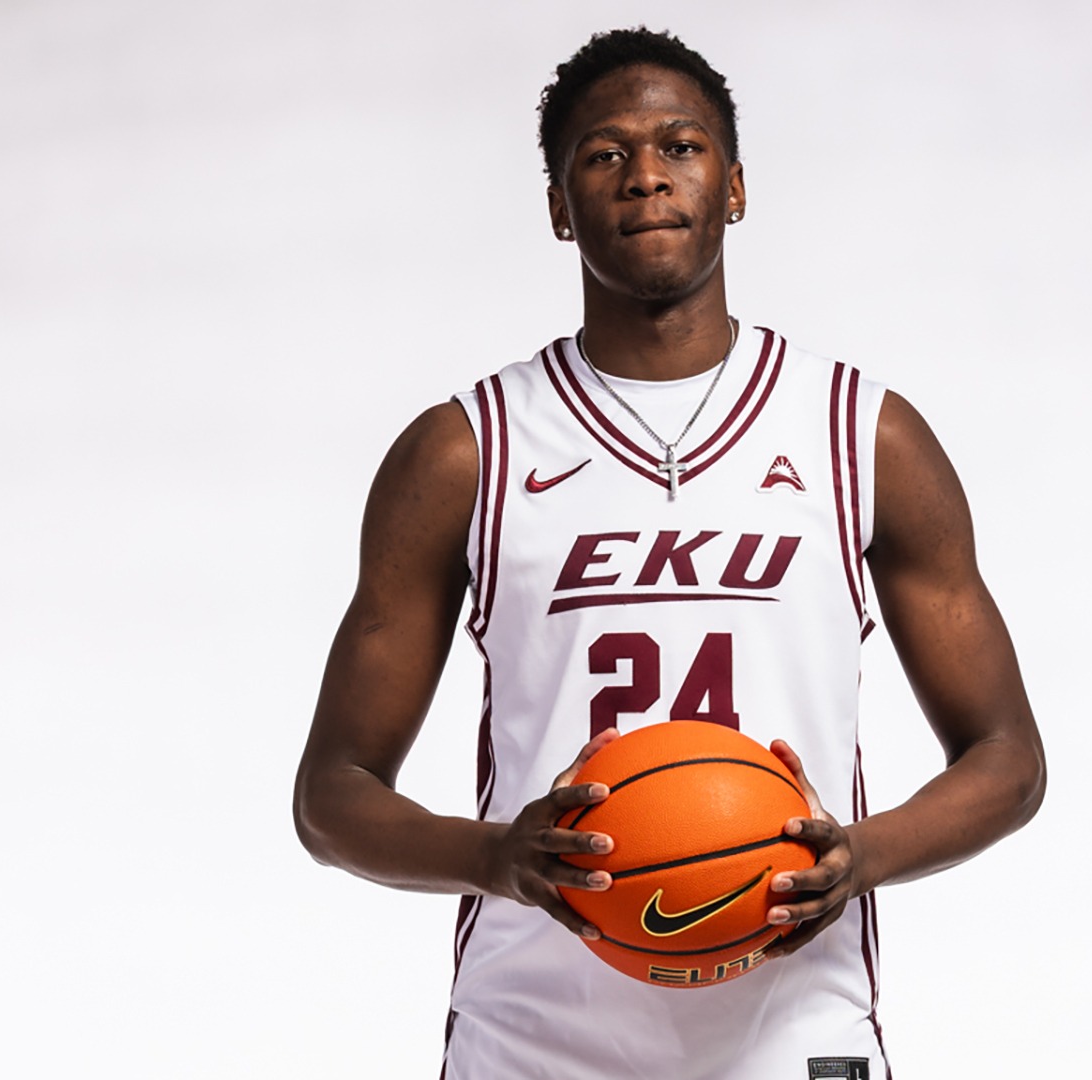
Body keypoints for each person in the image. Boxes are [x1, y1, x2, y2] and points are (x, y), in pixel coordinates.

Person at [293, 27, 1045, 1080]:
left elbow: (1009, 760)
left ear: (734, 187)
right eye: (604, 155)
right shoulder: (468, 450)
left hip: (794, 1034)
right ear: (559, 207)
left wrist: (862, 856)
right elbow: (332, 795)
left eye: (680, 146)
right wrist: (496, 856)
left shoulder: (856, 431)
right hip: (534, 1039)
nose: (646, 175)